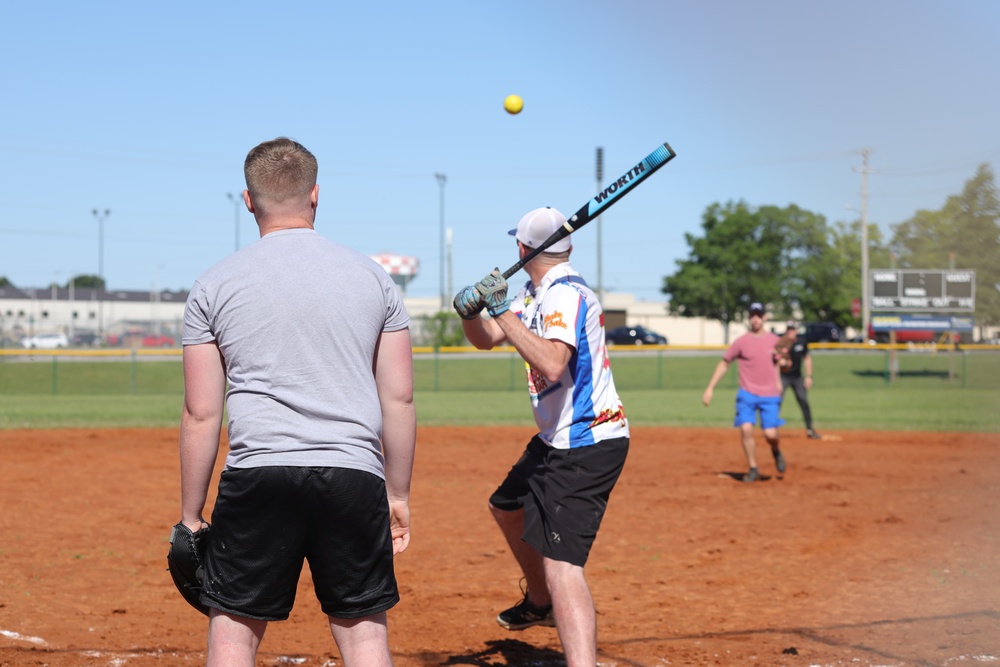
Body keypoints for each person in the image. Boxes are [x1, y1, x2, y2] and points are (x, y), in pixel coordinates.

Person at [177, 137, 416, 667]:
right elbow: (398, 398)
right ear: (315, 195)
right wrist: (397, 493)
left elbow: (201, 413)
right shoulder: (374, 278)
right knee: (364, 636)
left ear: (248, 200)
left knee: (234, 634)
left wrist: (191, 516)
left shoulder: (212, 284)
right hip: (353, 473)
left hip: (259, 472)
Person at [452, 207, 630, 667]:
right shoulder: (537, 292)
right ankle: (540, 601)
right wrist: (472, 314)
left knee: (562, 566)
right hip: (558, 439)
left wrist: (500, 308)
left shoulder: (566, 295)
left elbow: (552, 363)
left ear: (522, 248)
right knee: (506, 505)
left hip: (587, 442)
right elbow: (487, 337)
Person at [702, 302, 786, 483]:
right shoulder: (741, 342)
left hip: (770, 394)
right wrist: (710, 387)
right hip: (747, 393)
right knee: (746, 429)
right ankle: (753, 467)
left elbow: (785, 363)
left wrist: (785, 362)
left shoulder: (774, 340)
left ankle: (776, 450)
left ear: (764, 317)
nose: (755, 318)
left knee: (771, 434)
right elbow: (725, 363)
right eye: (752, 315)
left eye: (759, 315)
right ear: (749, 318)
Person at [779, 322, 821, 439]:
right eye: (789, 329)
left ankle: (810, 429)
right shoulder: (782, 343)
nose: (790, 332)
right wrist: (781, 363)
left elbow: (807, 358)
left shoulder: (801, 342)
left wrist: (808, 376)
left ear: (796, 331)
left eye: (792, 329)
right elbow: (775, 359)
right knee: (777, 402)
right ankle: (771, 428)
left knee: (804, 401)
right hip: (783, 377)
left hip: (797, 377)